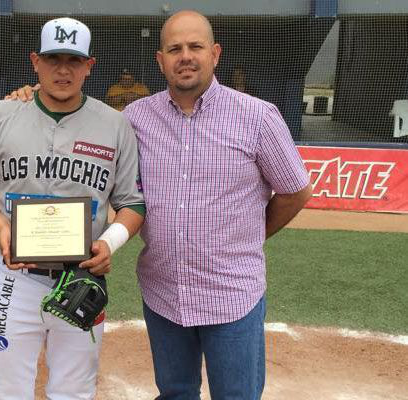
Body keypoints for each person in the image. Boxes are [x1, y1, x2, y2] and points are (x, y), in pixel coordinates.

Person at [123, 10, 312, 399]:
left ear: (215, 53)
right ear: (160, 61)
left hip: (232, 296)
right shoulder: (135, 118)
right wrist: (27, 97)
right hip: (164, 293)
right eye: (174, 49)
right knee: (175, 393)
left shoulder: (258, 117)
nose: (185, 56)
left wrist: (251, 235)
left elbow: (295, 191)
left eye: (195, 46)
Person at [0, 17, 146, 400]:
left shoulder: (115, 125)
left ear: (89, 65)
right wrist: (0, 223)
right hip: (13, 277)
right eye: (53, 58)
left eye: (74, 60)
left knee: (74, 390)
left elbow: (131, 203)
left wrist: (109, 243)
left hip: (80, 277)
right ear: (35, 62)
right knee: (8, 388)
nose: (63, 69)